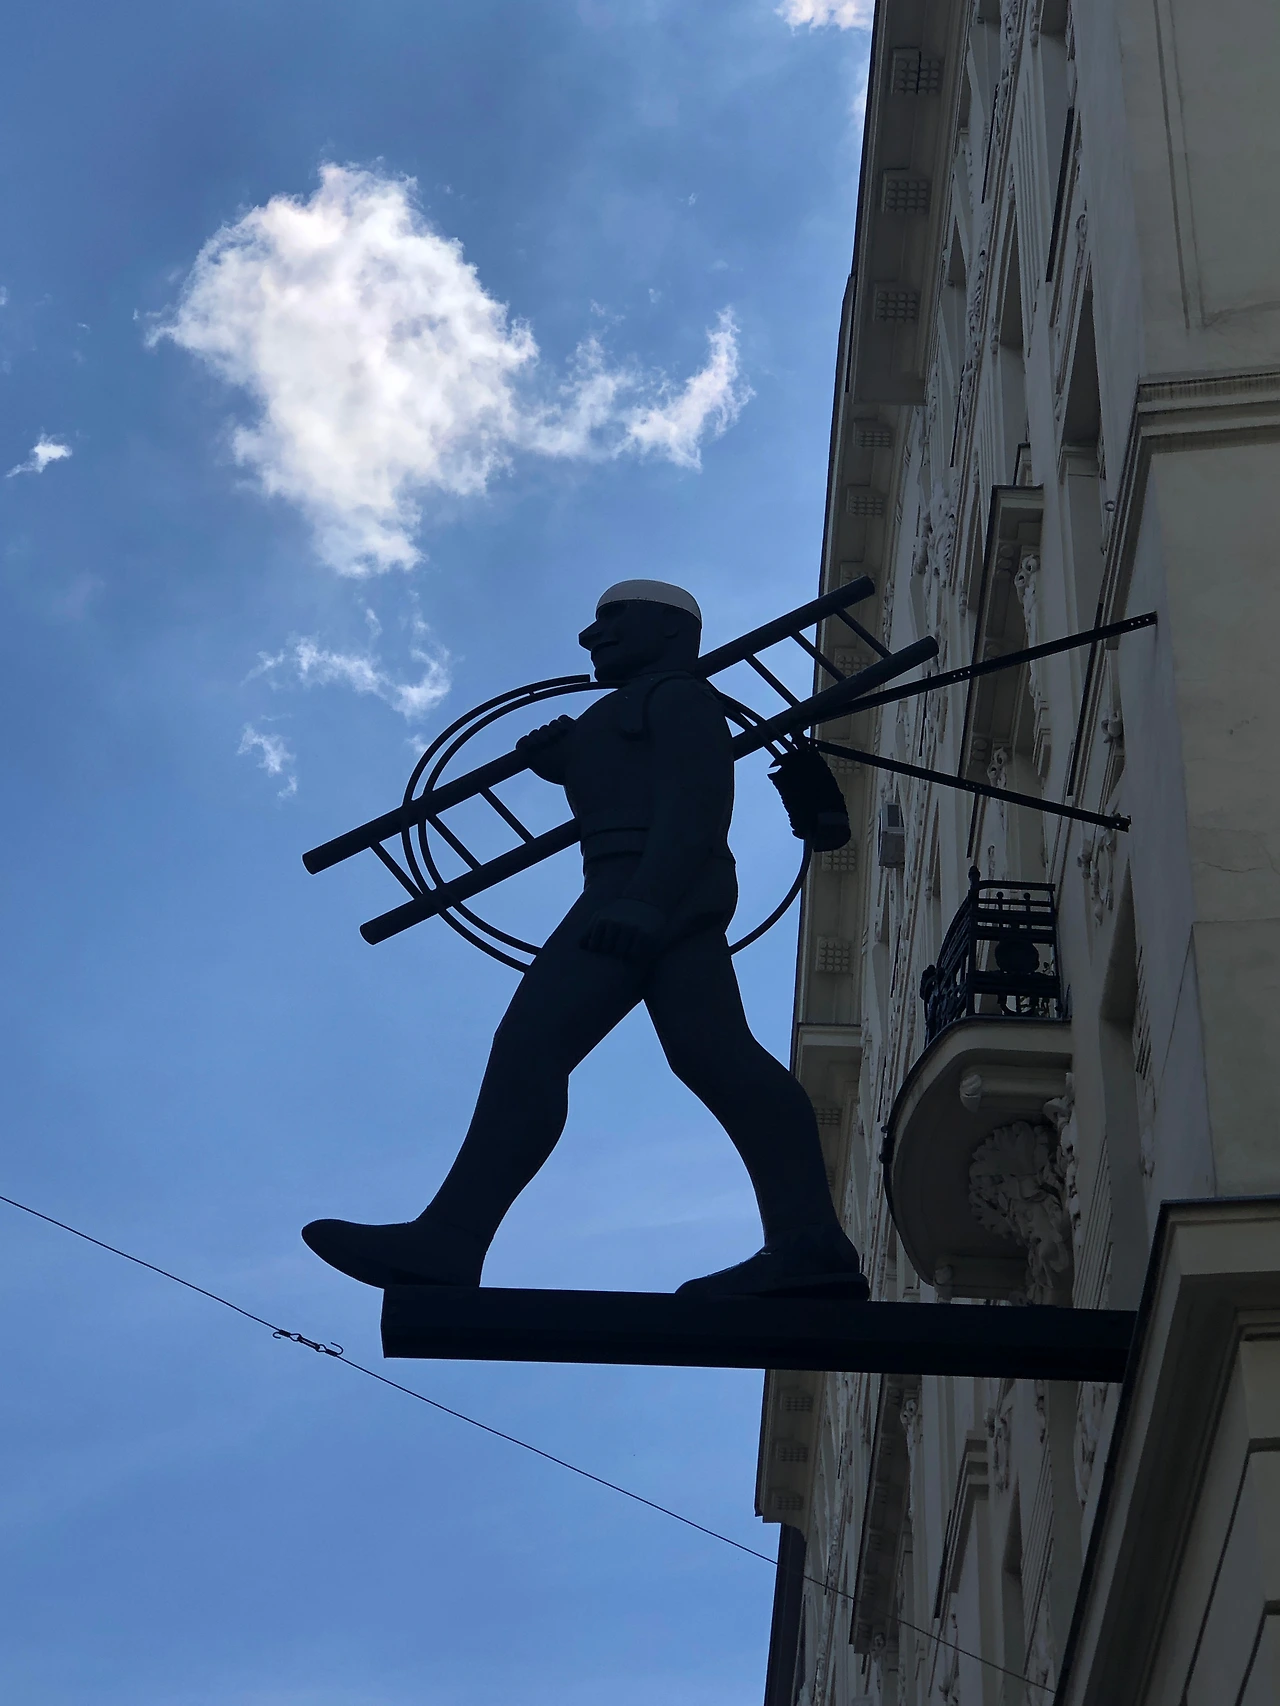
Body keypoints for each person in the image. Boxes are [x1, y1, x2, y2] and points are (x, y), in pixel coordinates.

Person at [303, 580, 868, 1300]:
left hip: (644, 886)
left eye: (613, 617)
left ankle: (452, 1237)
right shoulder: (633, 707)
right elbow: (632, 786)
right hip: (645, 885)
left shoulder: (677, 697)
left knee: (531, 1047)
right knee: (717, 1058)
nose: (591, 635)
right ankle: (807, 1240)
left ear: (670, 630)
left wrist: (644, 901)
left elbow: (695, 804)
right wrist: (568, 765)